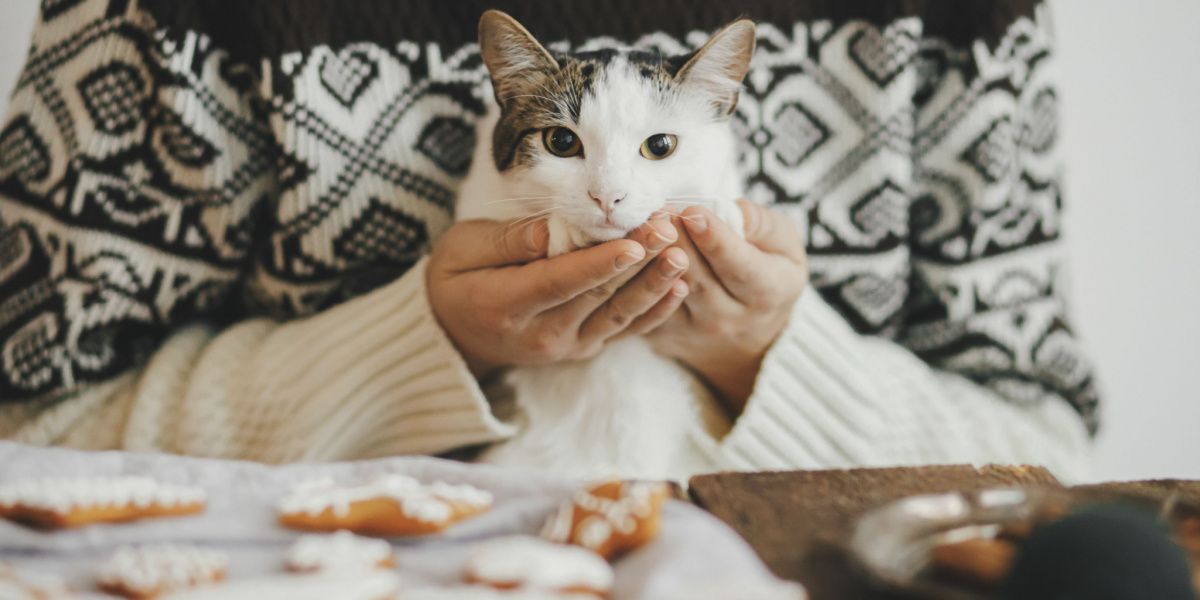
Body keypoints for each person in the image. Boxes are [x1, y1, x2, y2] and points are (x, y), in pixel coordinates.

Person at [0, 0, 1097, 478]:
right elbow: (28, 432)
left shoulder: (960, 15)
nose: (614, 194)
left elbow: (1059, 477)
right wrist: (426, 345)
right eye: (574, 149)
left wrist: (759, 354)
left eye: (656, 156)